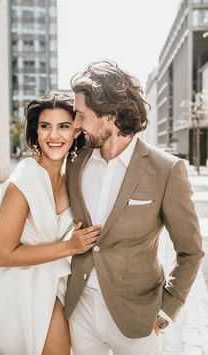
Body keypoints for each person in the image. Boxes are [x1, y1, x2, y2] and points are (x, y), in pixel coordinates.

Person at [64, 60, 204, 355]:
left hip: (138, 317)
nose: (75, 124)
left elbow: (190, 251)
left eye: (81, 115)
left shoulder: (167, 170)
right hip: (80, 311)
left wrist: (168, 309)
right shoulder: (75, 162)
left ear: (110, 116)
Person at [0, 92, 101, 355]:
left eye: (63, 126)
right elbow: (1, 254)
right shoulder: (24, 180)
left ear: (76, 132)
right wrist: (69, 247)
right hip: (15, 289)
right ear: (36, 132)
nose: (54, 136)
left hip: (53, 284)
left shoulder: (72, 177)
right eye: (45, 126)